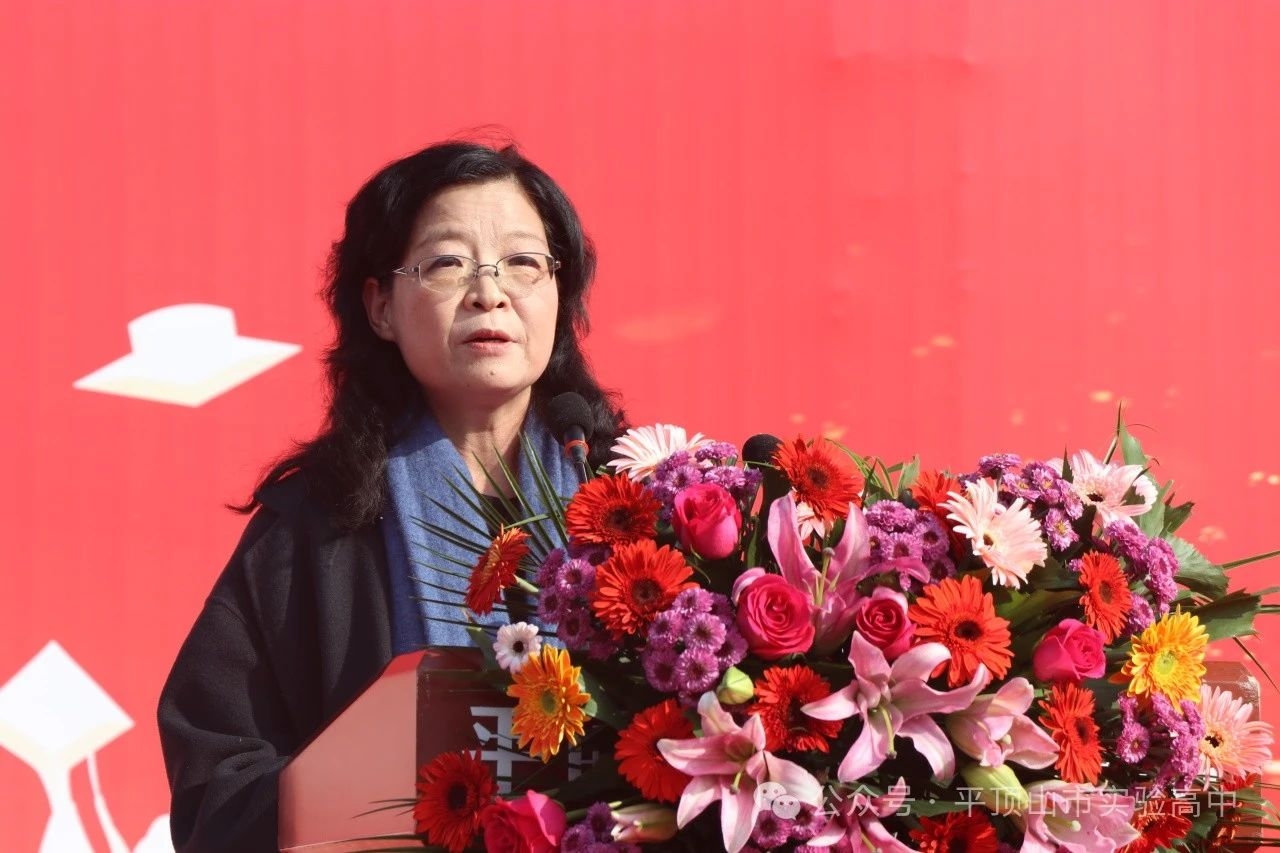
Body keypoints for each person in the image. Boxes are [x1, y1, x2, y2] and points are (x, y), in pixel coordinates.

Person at [157, 140, 626, 852]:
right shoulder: (315, 524)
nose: (490, 292)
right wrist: (355, 802)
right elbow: (216, 774)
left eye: (524, 262)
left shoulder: (632, 503)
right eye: (447, 263)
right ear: (380, 306)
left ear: (560, 296)